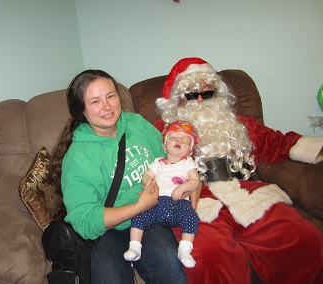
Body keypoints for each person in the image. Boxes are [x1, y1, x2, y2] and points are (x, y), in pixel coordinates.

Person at [154, 57, 323, 283]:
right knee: (208, 255)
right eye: (192, 94)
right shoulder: (160, 131)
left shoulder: (238, 123)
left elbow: (276, 142)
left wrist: (315, 148)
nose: (201, 100)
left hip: (244, 194)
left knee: (302, 236)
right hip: (193, 201)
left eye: (208, 93)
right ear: (178, 100)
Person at [54, 69, 186, 283]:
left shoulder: (136, 124)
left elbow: (165, 159)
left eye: (110, 96)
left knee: (173, 272)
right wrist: (139, 206)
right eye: (95, 101)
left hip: (149, 218)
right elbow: (85, 220)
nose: (106, 107)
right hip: (106, 230)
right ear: (82, 111)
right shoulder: (79, 156)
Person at [124, 120, 201, 268]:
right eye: (173, 138)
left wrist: (182, 188)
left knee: (192, 217)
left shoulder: (188, 162)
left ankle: (184, 250)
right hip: (157, 203)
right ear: (164, 145)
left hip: (179, 204)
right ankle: (135, 246)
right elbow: (146, 176)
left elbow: (195, 182)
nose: (178, 140)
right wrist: (148, 183)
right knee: (138, 214)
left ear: (190, 151)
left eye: (184, 140)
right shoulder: (158, 162)